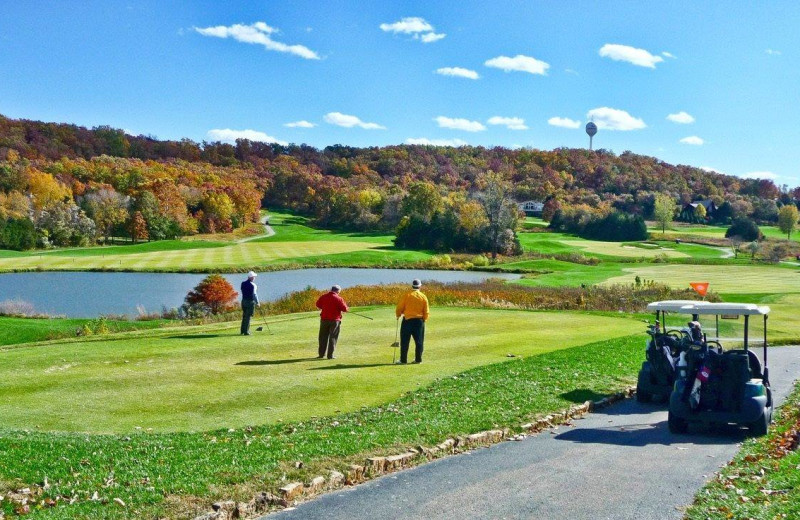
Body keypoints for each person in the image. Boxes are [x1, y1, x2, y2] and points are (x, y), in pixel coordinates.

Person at [395, 279, 430, 364]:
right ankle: (418, 360)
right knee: (419, 341)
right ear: (420, 286)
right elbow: (426, 311)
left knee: (405, 341)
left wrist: (398, 315)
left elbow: (400, 307)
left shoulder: (407, 295)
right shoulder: (423, 296)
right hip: (419, 321)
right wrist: (424, 319)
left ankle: (403, 360)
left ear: (412, 286)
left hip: (407, 320)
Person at [316, 285, 349, 359]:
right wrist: (346, 309)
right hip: (335, 320)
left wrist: (325, 307)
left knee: (323, 337)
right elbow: (344, 309)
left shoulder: (323, 296)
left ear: (331, 289)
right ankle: (330, 355)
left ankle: (321, 354)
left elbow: (318, 304)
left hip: (324, 319)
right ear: (338, 291)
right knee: (333, 337)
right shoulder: (339, 298)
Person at [240, 271, 259, 335]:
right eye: (254, 277)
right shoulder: (253, 285)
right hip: (250, 302)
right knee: (248, 317)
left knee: (244, 316)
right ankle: (246, 331)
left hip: (243, 301)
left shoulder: (243, 283)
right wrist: (257, 302)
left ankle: (242, 330)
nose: (254, 278)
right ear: (251, 277)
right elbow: (254, 295)